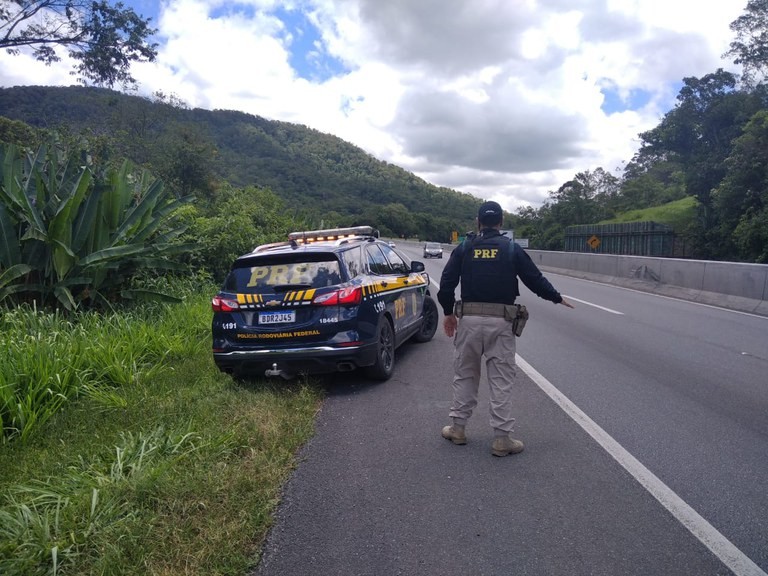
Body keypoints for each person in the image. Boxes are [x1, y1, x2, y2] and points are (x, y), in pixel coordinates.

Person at [437, 200, 574, 457]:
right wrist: (556, 297)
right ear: (500, 223)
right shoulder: (511, 249)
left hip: (469, 320)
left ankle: (457, 428)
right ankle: (501, 439)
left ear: (478, 223)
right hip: (501, 322)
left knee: (465, 375)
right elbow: (535, 280)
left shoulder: (465, 247)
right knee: (501, 379)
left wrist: (448, 313)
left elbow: (446, 284)